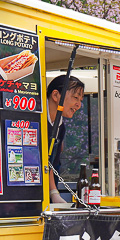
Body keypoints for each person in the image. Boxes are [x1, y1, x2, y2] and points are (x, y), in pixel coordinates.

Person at [45, 74, 85, 205]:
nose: (78, 104)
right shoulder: (36, 120)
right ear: (56, 96)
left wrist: (53, 193)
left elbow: (51, 161)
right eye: (75, 97)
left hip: (48, 191)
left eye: (80, 99)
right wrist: (54, 193)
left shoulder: (60, 126)